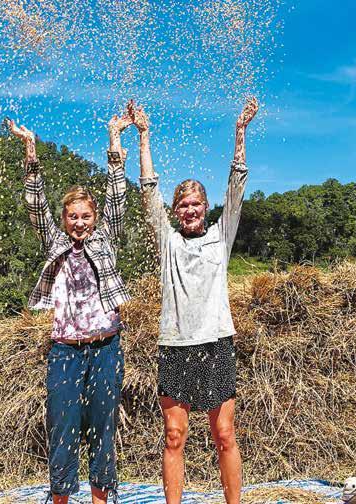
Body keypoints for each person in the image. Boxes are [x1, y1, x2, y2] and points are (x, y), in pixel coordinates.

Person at [130, 97, 259, 504]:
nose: (189, 210)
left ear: (206, 208)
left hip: (216, 343)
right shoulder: (167, 240)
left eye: (196, 204)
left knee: (224, 434)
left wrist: (240, 134)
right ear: (175, 210)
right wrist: (144, 136)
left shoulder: (221, 236)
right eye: (182, 205)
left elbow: (236, 188)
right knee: (174, 436)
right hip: (175, 344)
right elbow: (147, 190)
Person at [7, 109, 133, 504]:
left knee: (102, 429)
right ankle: (60, 497)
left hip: (106, 347)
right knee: (62, 431)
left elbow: (117, 193)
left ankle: (101, 499)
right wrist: (31, 156)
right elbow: (34, 207)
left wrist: (115, 142)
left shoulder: (105, 237)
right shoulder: (56, 244)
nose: (79, 223)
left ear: (96, 218)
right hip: (64, 351)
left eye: (86, 216)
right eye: (72, 217)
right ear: (63, 221)